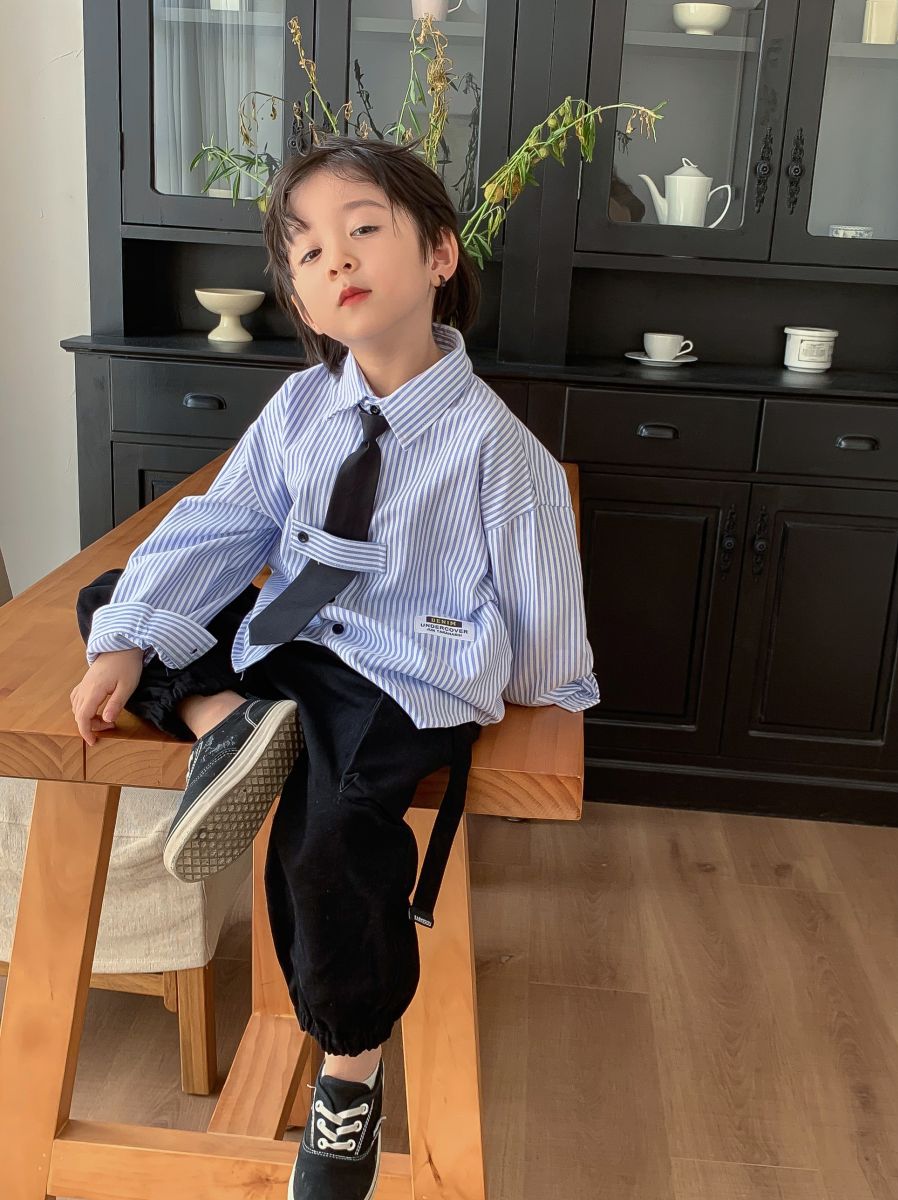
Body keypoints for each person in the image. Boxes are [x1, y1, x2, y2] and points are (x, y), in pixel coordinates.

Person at [69, 132, 600, 1200]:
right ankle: (224, 717)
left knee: (334, 832)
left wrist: (522, 696)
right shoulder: (303, 406)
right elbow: (227, 523)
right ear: (301, 297)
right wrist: (127, 639)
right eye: (307, 251)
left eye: (363, 229)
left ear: (440, 254)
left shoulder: (502, 453)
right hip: (295, 638)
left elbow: (546, 645)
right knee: (118, 601)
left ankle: (349, 1074)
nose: (336, 259)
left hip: (405, 667)